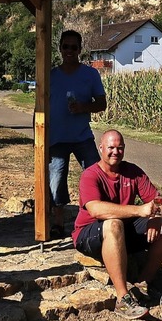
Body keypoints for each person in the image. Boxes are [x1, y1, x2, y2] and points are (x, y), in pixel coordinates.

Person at [73, 129, 162, 320]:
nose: (115, 152)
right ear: (101, 148)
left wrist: (156, 218)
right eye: (111, 148)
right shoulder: (90, 175)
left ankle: (143, 283)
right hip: (90, 234)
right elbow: (96, 210)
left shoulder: (133, 172)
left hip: (123, 232)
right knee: (113, 223)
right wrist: (139, 210)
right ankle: (123, 298)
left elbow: (159, 200)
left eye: (120, 148)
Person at [48, 30, 107, 239]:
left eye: (74, 47)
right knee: (56, 181)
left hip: (82, 136)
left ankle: (95, 219)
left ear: (80, 50)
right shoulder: (51, 75)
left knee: (96, 175)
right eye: (66, 47)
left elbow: (102, 104)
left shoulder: (90, 74)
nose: (69, 51)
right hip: (56, 138)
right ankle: (58, 222)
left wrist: (83, 107)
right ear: (60, 49)